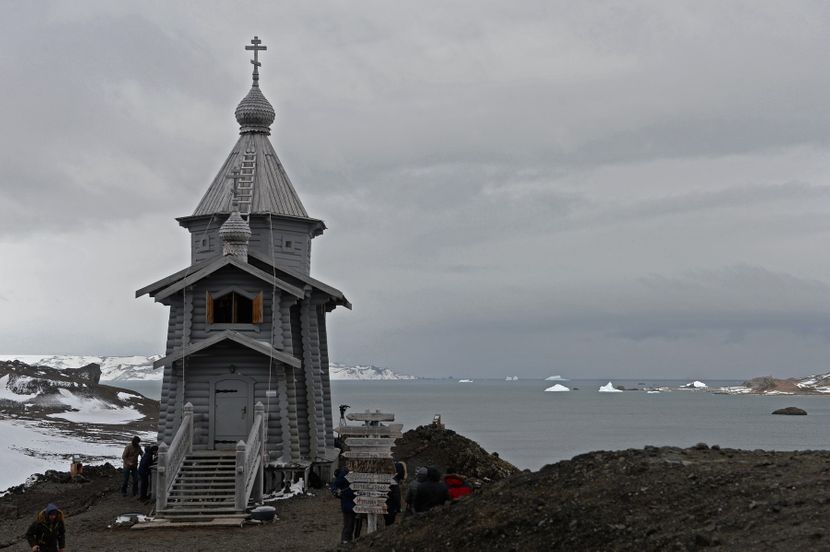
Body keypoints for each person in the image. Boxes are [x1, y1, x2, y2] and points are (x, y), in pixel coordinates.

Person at [332, 467, 362, 544]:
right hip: (348, 505)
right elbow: (335, 485)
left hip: (362, 505)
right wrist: (337, 492)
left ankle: (354, 543)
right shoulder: (344, 472)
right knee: (349, 526)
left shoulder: (364, 471)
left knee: (358, 527)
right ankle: (345, 543)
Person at [384, 460, 407, 526]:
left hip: (385, 504)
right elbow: (396, 496)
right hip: (391, 507)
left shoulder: (387, 478)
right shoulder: (394, 483)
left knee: (387, 522)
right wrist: (399, 508)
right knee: (390, 523)